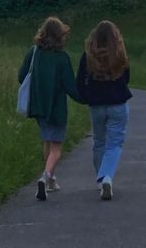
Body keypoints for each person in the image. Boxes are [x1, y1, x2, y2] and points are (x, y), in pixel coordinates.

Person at [18, 17, 80, 201]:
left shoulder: (34, 52)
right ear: (60, 36)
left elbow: (22, 76)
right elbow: (70, 86)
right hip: (56, 108)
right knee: (56, 148)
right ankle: (44, 178)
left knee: (47, 139)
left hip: (37, 107)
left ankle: (51, 179)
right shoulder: (62, 58)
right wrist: (86, 98)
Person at [76, 20, 132, 200]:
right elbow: (127, 77)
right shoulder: (119, 54)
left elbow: (79, 81)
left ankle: (100, 180)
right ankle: (107, 177)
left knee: (98, 141)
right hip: (117, 103)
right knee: (114, 143)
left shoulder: (88, 55)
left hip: (96, 105)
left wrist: (85, 97)